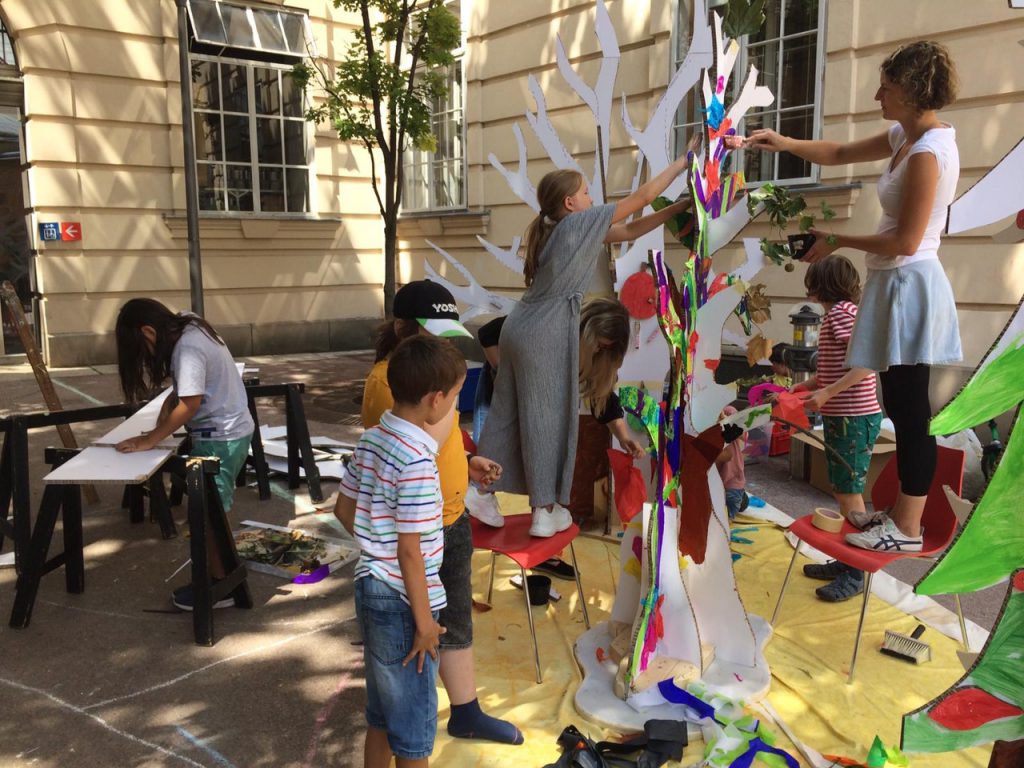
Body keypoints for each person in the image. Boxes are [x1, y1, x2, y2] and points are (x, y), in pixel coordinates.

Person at [745, 41, 961, 553]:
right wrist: (784, 142)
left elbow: (907, 241)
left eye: (886, 88)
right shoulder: (905, 137)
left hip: (910, 283)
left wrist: (836, 240)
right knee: (902, 406)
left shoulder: (930, 151)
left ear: (912, 91)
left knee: (910, 413)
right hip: (894, 281)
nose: (876, 96)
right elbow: (840, 153)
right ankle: (902, 518)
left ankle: (907, 528)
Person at [477, 151, 696, 538]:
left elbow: (630, 231)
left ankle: (482, 489)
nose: (592, 199)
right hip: (544, 332)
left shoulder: (559, 231)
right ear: (570, 203)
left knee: (507, 410)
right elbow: (642, 197)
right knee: (548, 421)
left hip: (519, 326)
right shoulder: (576, 225)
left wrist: (678, 207)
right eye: (586, 192)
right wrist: (682, 164)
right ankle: (545, 510)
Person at [360, 280, 522, 746]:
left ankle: (466, 710)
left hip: (448, 516)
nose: (439, 344)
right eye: (429, 335)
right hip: (417, 531)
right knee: (423, 628)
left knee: (456, 617)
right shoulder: (388, 383)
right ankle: (418, 716)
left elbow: (435, 448)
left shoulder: (433, 380)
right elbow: (408, 452)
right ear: (401, 328)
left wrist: (467, 466)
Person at [334, 334, 466, 768]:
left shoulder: (373, 438)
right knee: (412, 731)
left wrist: (376, 545)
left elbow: (343, 508)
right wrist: (426, 625)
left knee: (383, 712)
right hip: (405, 602)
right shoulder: (416, 461)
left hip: (372, 586)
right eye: (456, 396)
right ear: (435, 399)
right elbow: (411, 552)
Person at [114, 298, 255, 610]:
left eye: (142, 348)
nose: (147, 356)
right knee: (210, 511)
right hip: (228, 431)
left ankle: (220, 586)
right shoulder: (188, 322)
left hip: (220, 438)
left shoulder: (186, 348)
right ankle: (221, 571)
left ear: (148, 332)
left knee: (208, 514)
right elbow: (183, 394)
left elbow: (189, 404)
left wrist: (151, 438)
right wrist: (163, 419)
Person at [793, 256, 883, 601]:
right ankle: (847, 560)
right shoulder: (842, 313)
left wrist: (827, 392)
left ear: (820, 284)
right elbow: (838, 367)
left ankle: (855, 571)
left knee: (848, 491)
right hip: (844, 416)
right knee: (843, 488)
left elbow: (866, 361)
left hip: (852, 418)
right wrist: (807, 387)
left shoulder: (840, 315)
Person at [715, 406, 748, 520]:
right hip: (715, 483)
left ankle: (740, 501)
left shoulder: (728, 411)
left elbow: (743, 434)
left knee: (723, 522)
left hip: (731, 484)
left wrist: (724, 419)